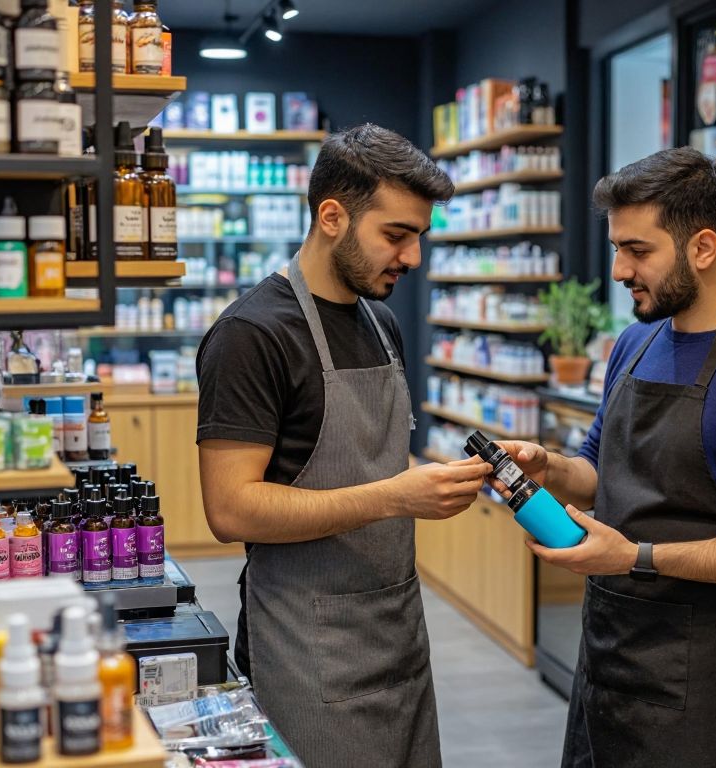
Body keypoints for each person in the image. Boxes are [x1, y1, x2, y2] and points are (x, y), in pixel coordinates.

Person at [493, 147, 716, 767]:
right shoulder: (635, 341)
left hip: (706, 684)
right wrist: (549, 467)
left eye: (639, 250)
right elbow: (599, 468)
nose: (621, 269)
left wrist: (635, 557)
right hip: (608, 659)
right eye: (617, 248)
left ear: (703, 247)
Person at [195, 123, 492, 768]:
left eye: (419, 237)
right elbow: (231, 510)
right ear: (333, 215)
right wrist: (395, 496)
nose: (412, 258)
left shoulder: (381, 324)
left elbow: (366, 462)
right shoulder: (252, 336)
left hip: (398, 635)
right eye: (396, 235)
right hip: (306, 650)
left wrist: (437, 479)